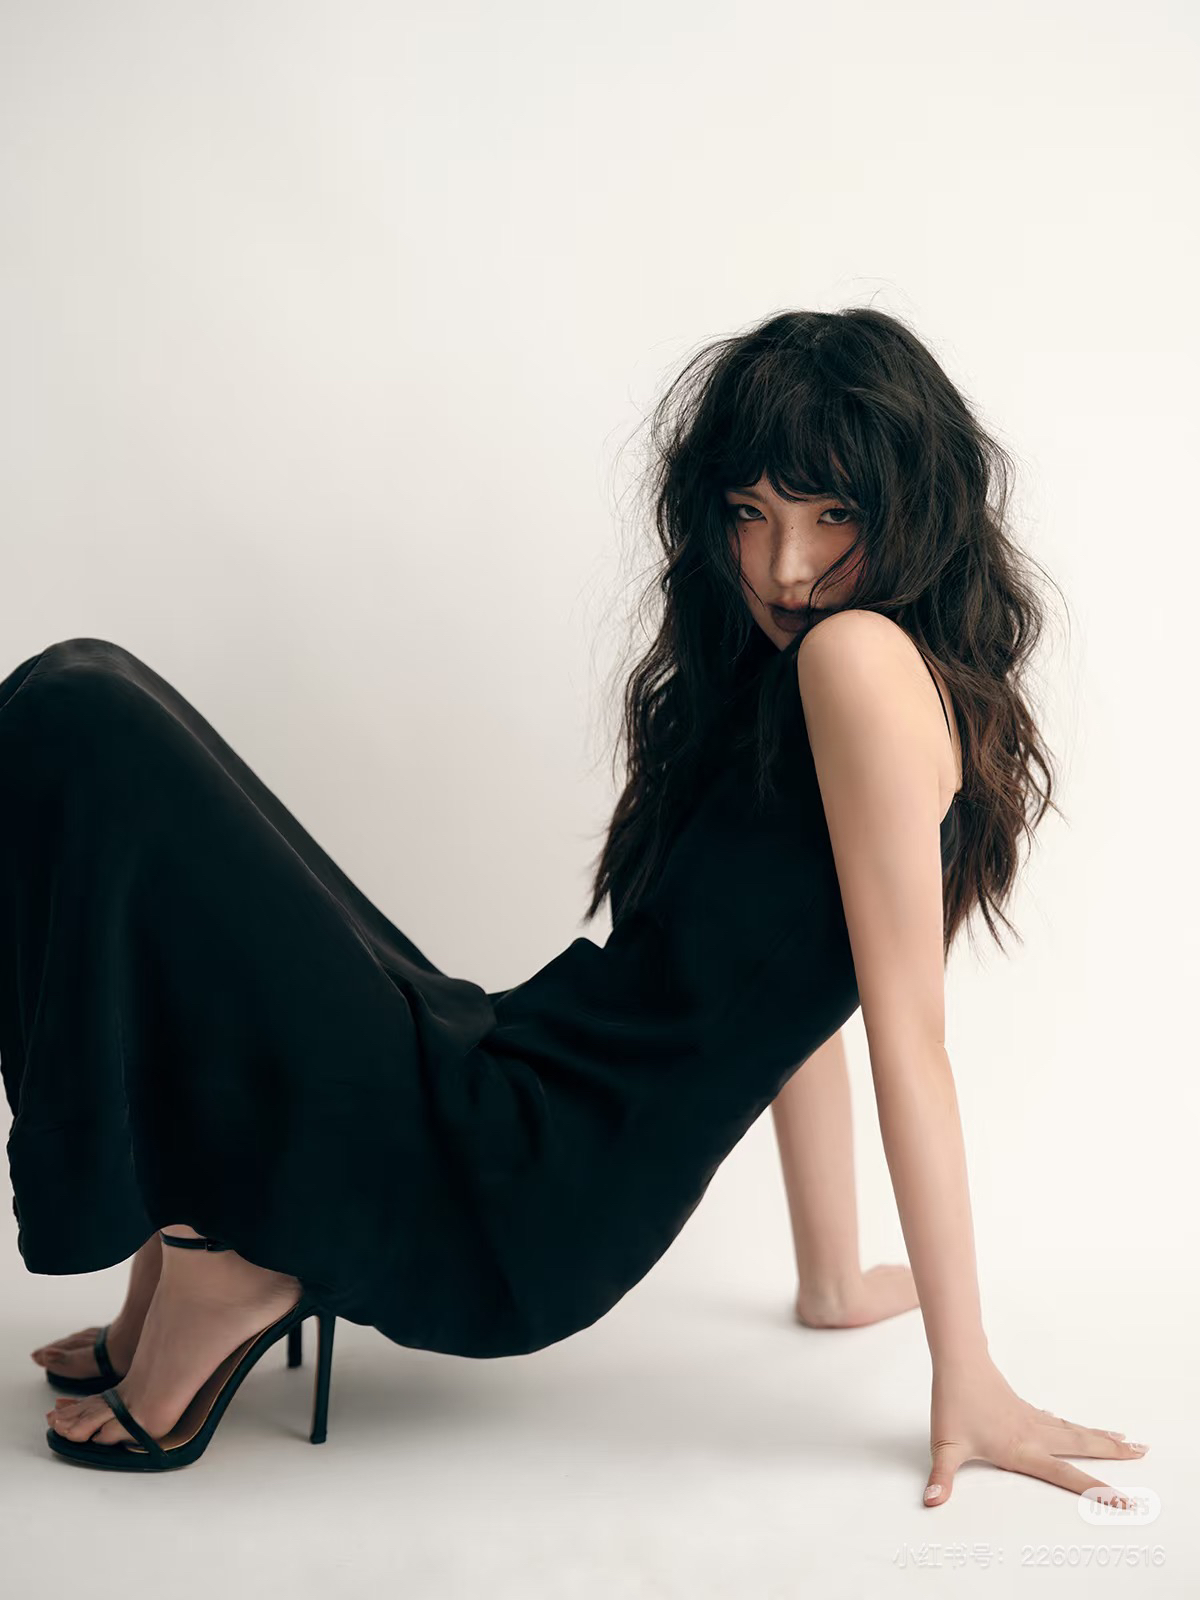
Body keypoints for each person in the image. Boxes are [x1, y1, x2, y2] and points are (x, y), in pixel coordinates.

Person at [5, 307, 1144, 1494]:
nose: (784, 566)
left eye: (832, 515)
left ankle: (236, 1259)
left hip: (523, 1189)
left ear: (916, 510)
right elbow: (801, 998)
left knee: (79, 711)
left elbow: (911, 1040)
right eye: (749, 513)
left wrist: (969, 1374)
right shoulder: (795, 678)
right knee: (82, 695)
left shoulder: (854, 659)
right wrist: (834, 1277)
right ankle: (203, 1212)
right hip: (506, 1085)